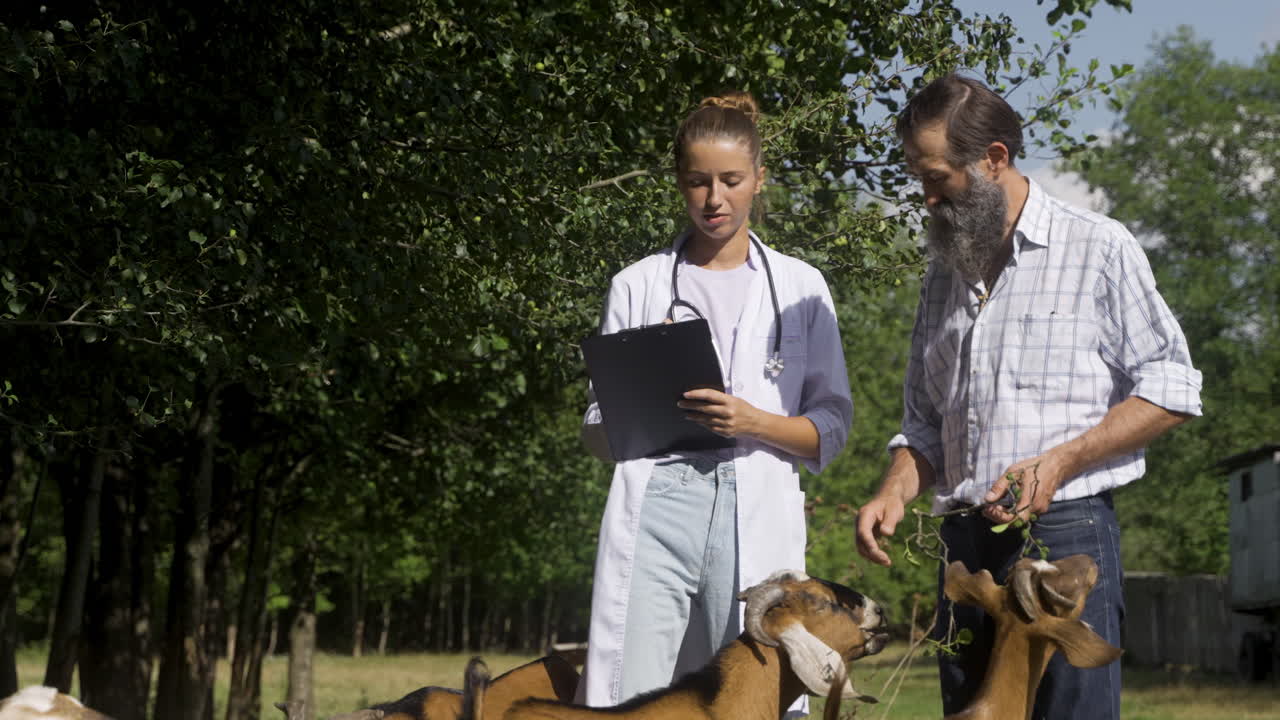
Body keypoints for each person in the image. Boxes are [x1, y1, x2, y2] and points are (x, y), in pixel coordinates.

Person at [853, 73, 1202, 719]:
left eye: (937, 177)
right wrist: (892, 491)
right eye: (919, 179)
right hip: (962, 551)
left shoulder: (1097, 246)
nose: (927, 197)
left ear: (993, 159)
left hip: (1064, 538)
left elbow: (1173, 386)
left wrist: (1060, 461)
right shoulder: (942, 276)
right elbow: (924, 423)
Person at [576, 91, 853, 712]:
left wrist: (753, 420)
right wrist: (629, 405)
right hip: (658, 498)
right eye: (698, 181)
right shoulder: (636, 285)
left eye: (731, 180)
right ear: (680, 183)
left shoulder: (802, 288)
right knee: (635, 694)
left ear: (759, 178)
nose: (714, 199)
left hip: (753, 496)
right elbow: (595, 423)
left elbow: (832, 425)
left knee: (750, 687)